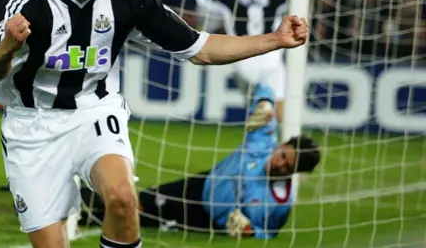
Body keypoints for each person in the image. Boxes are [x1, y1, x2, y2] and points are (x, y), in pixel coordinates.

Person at [0, 0, 309, 248]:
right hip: (33, 125)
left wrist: (275, 39)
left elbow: (201, 48)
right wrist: (8, 44)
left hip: (93, 111)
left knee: (123, 197)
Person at [79, 83, 321, 239]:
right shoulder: (263, 139)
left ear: (294, 172)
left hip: (206, 222)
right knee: (141, 202)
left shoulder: (281, 203)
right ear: (282, 144)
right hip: (201, 185)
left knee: (145, 222)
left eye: (288, 167)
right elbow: (264, 87)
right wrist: (265, 104)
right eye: (283, 156)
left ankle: (83, 214)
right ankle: (81, 207)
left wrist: (250, 231)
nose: (280, 164)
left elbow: (269, 234)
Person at [149, 0, 341, 123]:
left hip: (243, 56)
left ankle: (258, 132)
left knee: (255, 111)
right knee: (279, 111)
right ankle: (278, 142)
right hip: (271, 56)